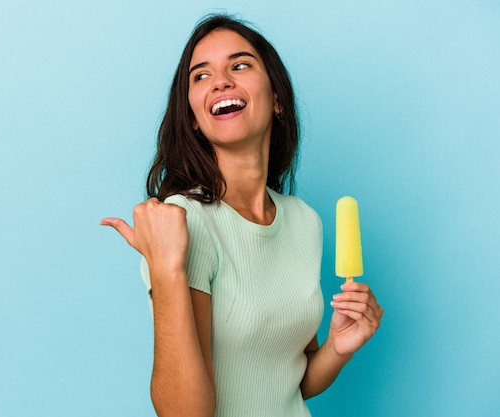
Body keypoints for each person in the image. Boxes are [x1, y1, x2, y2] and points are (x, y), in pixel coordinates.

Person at [101, 14, 383, 417]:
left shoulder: (304, 221)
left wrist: (338, 348)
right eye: (200, 76)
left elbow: (290, 383)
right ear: (194, 119)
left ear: (277, 99)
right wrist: (165, 270)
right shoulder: (185, 220)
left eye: (240, 65)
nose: (220, 81)